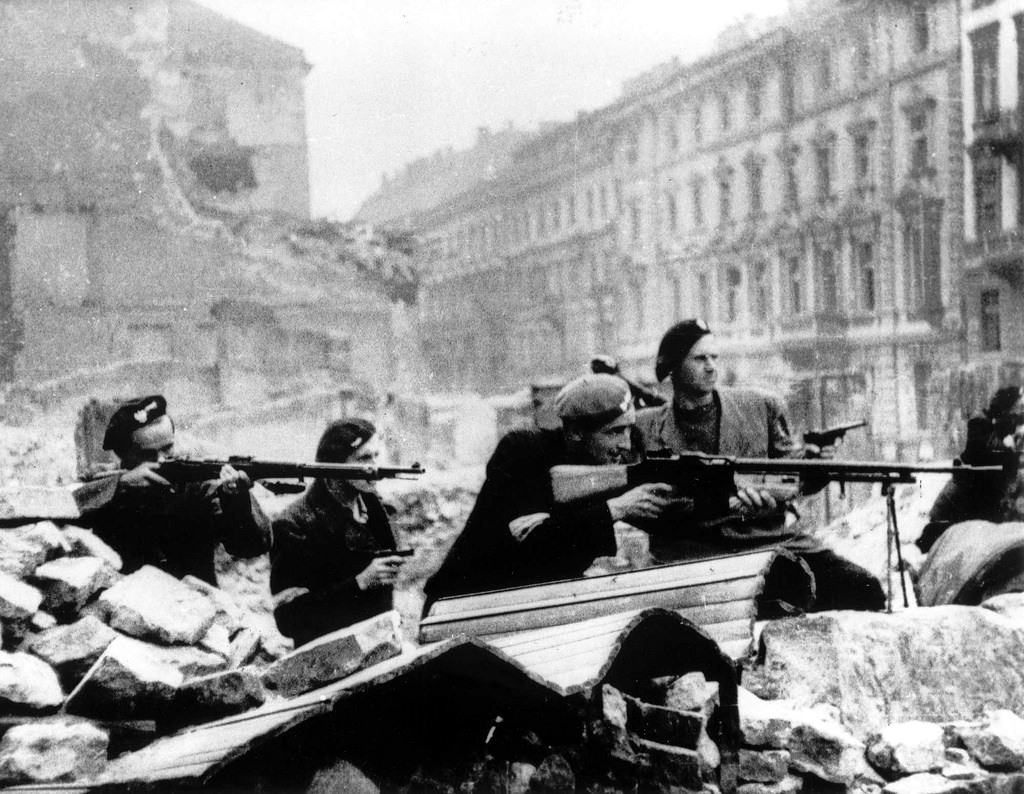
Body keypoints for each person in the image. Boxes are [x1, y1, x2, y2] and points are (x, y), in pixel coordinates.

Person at [634, 319, 885, 614]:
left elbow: (790, 475)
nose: (711, 366)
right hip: (689, 553)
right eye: (700, 358)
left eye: (714, 357)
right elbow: (644, 507)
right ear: (674, 367)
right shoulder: (646, 428)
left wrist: (817, 466)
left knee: (863, 588)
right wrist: (725, 505)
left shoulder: (759, 406)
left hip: (766, 541)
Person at [423, 373, 672, 604]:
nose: (625, 444)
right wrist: (614, 509)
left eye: (629, 429)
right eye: (614, 432)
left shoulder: (598, 465)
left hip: (527, 602)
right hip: (463, 604)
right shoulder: (522, 453)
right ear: (575, 433)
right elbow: (534, 545)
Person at [73, 395, 270, 585]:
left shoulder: (197, 483)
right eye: (146, 454)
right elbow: (66, 504)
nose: (161, 459)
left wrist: (236, 501)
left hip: (195, 605)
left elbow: (252, 546)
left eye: (167, 448)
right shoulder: (109, 482)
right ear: (123, 455)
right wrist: (120, 486)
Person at [271, 418, 407, 647]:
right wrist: (360, 583)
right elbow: (289, 619)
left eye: (376, 456)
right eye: (364, 458)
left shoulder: (378, 512)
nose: (375, 467)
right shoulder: (295, 525)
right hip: (327, 662)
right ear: (333, 466)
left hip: (380, 647)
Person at [917, 385, 1024, 553]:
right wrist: (1007, 444)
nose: (1018, 414)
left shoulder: (1005, 424)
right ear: (1006, 408)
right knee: (944, 548)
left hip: (983, 500)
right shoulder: (979, 422)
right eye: (1016, 408)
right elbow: (982, 451)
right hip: (961, 502)